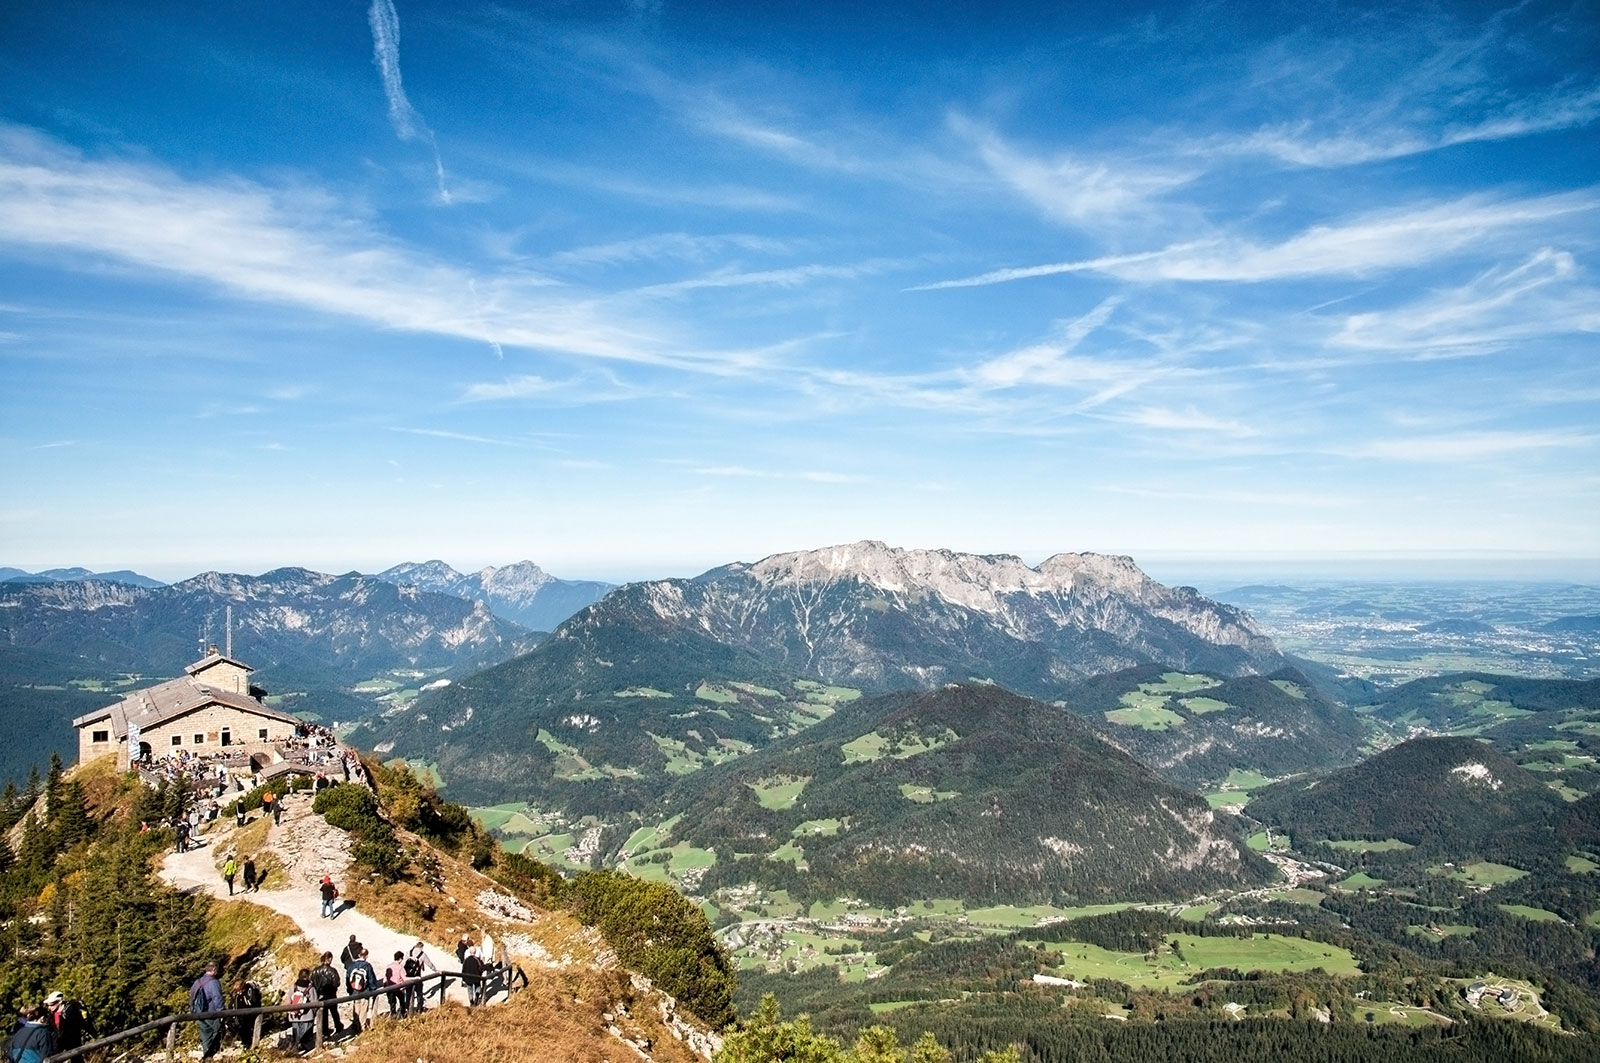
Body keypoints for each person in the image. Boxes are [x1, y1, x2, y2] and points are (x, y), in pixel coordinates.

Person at [188, 961, 225, 1059]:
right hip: (212, 1013)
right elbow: (217, 998)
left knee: (205, 1036)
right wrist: (221, 1012)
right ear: (214, 970)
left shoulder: (197, 982)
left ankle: (207, 1057)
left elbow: (191, 996)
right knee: (218, 1032)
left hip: (199, 1014)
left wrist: (193, 1010)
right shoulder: (214, 982)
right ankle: (215, 1055)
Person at [309, 952, 345, 1043]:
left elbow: (312, 983)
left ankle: (325, 1032)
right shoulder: (332, 971)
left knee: (323, 1014)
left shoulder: (315, 971)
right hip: (331, 995)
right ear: (329, 959)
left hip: (319, 996)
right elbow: (337, 983)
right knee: (334, 1012)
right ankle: (338, 1026)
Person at [43, 992, 90, 1059]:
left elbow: (73, 1028)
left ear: (59, 1002)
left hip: (72, 1041)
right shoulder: (51, 1014)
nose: (49, 1007)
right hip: (57, 1042)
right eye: (48, 1005)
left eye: (52, 1005)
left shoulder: (70, 1011)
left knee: (76, 1058)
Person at [345, 947, 379, 1031]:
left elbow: (347, 978)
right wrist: (373, 989)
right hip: (365, 991)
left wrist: (349, 990)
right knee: (363, 1010)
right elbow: (371, 979)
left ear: (358, 955)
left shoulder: (351, 966)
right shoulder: (367, 966)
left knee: (356, 1008)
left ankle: (355, 1025)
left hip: (354, 991)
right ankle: (362, 1027)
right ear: (366, 956)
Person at [406, 941, 436, 1013]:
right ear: (421, 947)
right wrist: (435, 970)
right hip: (417, 976)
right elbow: (429, 963)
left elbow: (403, 963)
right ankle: (419, 1008)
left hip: (408, 976)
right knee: (419, 992)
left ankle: (407, 1008)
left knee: (408, 992)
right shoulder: (422, 954)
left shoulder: (408, 952)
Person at [229, 979, 261, 1049]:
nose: (239, 993)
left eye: (240, 991)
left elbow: (253, 1002)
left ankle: (253, 1046)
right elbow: (232, 1004)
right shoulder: (236, 995)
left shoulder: (250, 991)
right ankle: (247, 1046)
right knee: (243, 1031)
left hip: (250, 1015)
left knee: (251, 1030)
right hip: (240, 1017)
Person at [287, 970, 313, 1051]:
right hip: (307, 1016)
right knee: (306, 1035)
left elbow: (288, 1001)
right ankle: (305, 1047)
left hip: (294, 1016)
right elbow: (314, 1002)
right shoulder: (311, 988)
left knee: (296, 1034)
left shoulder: (293, 987)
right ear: (307, 977)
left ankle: (296, 1047)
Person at [383, 952, 409, 1018]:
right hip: (399, 988)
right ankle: (403, 1014)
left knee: (392, 1003)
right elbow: (405, 978)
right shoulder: (400, 967)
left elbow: (385, 978)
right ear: (400, 959)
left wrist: (385, 987)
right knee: (402, 1002)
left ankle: (393, 1015)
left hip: (389, 987)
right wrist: (415, 978)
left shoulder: (388, 966)